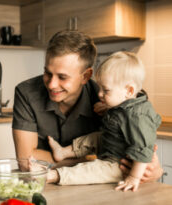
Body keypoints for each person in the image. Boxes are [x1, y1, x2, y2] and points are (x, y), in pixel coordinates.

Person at [12, 30, 163, 183]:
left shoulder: (109, 96)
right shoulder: (27, 93)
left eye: (62, 77)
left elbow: (141, 150)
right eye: (47, 73)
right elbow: (26, 162)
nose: (51, 84)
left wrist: (154, 170)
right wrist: (90, 161)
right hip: (45, 187)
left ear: (85, 76)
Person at [45, 51, 161, 192]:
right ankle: (63, 152)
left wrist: (134, 177)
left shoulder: (138, 116)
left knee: (94, 169)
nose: (99, 94)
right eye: (100, 88)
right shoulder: (124, 102)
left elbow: (143, 151)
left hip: (118, 163)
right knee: (94, 137)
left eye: (106, 90)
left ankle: (54, 175)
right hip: (112, 144)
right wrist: (107, 109)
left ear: (129, 91)